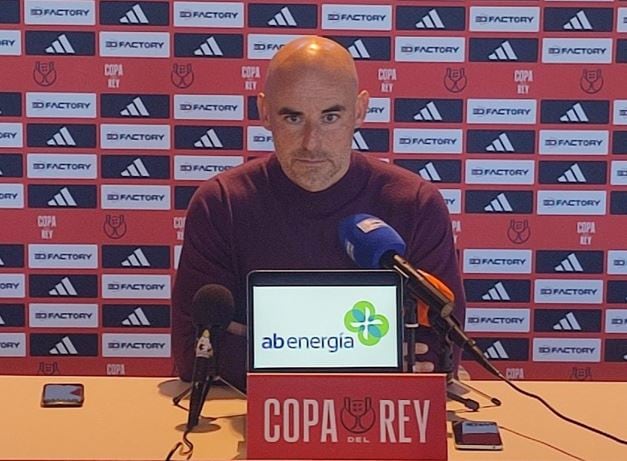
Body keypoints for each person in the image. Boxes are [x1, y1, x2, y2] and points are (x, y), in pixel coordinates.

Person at [172, 36, 466, 391]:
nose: (311, 142)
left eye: (330, 116)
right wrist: (371, 355)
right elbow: (197, 353)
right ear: (265, 113)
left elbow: (439, 352)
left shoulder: (415, 203)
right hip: (246, 424)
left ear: (359, 111)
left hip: (384, 427)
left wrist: (266, 346)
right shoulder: (221, 204)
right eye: (293, 117)